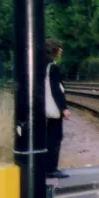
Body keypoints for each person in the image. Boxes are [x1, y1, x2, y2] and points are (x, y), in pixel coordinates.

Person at [44, 39, 70, 179]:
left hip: (45, 108)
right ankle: (52, 169)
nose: (61, 50)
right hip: (53, 109)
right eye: (59, 48)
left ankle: (48, 167)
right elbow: (56, 90)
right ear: (54, 49)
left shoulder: (44, 65)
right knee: (56, 138)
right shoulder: (52, 67)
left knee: (49, 139)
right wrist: (64, 108)